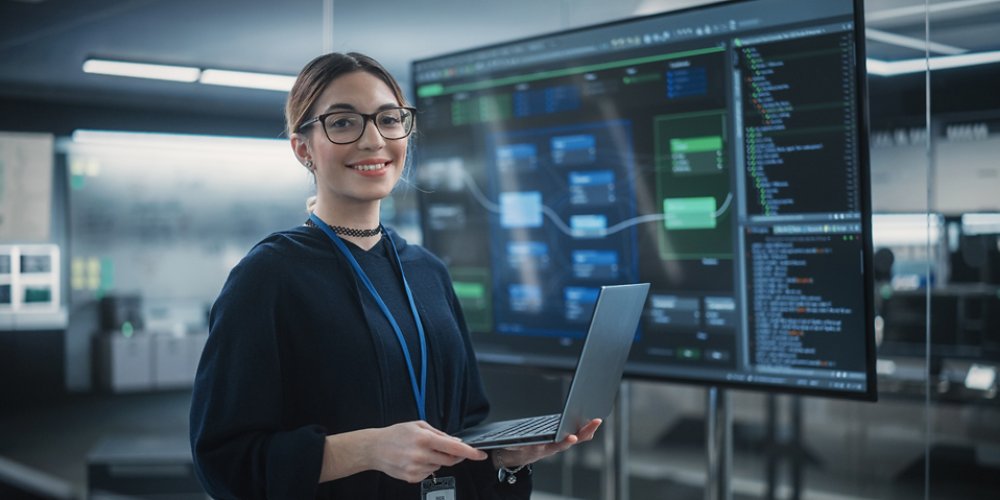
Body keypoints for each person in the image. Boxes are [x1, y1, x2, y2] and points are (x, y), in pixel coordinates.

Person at [189, 51, 601, 499]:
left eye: (388, 119)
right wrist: (367, 450)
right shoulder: (268, 277)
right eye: (343, 122)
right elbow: (224, 462)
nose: (373, 140)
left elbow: (466, 428)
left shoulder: (428, 272)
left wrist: (503, 457)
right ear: (303, 149)